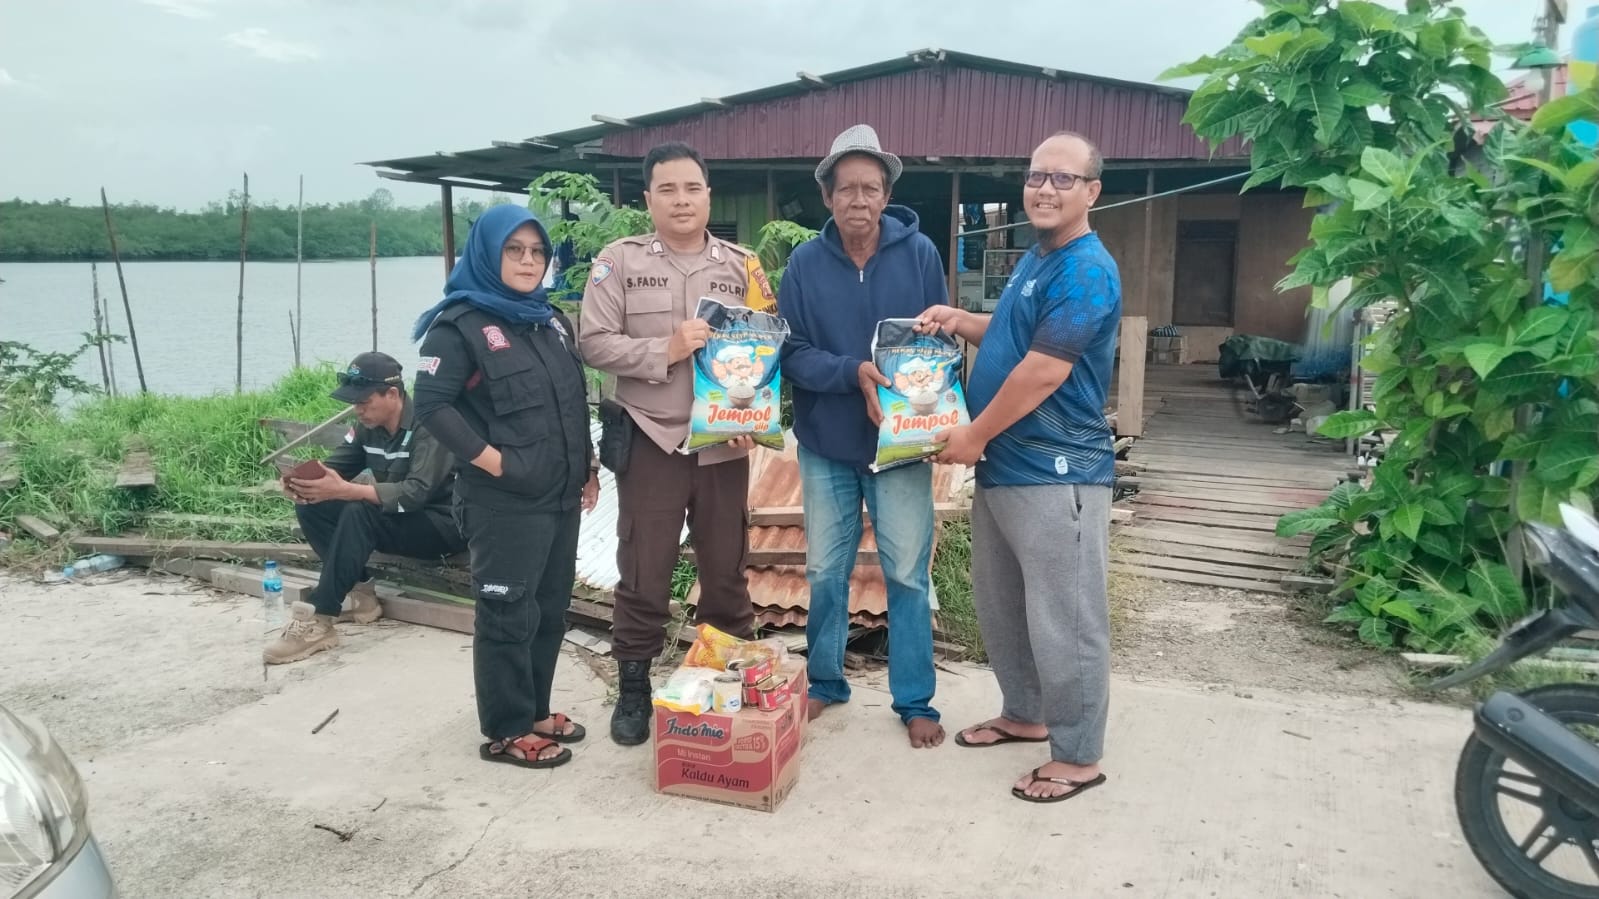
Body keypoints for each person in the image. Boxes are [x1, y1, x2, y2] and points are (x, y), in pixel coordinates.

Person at [921, 132, 1120, 802]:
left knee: (1066, 618)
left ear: (1091, 192)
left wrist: (972, 435)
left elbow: (1043, 370)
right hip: (1008, 467)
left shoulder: (1086, 269)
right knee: (1005, 606)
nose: (1044, 189)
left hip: (1057, 471)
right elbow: (1016, 334)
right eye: (1036, 176)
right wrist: (961, 319)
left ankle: (1078, 755)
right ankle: (1026, 713)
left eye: (1063, 178)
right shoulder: (1040, 258)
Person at [578, 141, 776, 747]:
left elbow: (770, 344)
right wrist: (665, 348)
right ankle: (634, 688)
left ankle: (724, 687)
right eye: (667, 189)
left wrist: (754, 411)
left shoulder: (744, 266)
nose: (681, 200)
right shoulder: (619, 262)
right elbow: (593, 342)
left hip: (724, 444)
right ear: (649, 199)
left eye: (692, 188)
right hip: (650, 437)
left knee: (726, 571)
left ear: (708, 195)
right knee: (644, 570)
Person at [411, 204, 600, 770]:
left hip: (559, 496)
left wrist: (588, 469)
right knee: (506, 613)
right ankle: (507, 728)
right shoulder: (458, 326)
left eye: (537, 251)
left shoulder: (550, 321)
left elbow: (572, 404)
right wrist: (492, 462)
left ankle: (535, 710)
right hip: (502, 502)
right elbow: (432, 406)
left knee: (548, 608)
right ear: (487, 255)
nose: (528, 261)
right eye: (513, 250)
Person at [777, 124, 948, 748]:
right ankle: (825, 681)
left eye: (870, 188)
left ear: (886, 195)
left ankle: (915, 699)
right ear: (827, 196)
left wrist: (922, 405)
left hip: (898, 445)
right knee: (826, 570)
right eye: (845, 188)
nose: (858, 199)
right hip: (826, 443)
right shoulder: (804, 264)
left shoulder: (919, 254)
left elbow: (938, 338)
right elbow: (791, 353)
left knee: (906, 572)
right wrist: (853, 373)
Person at [265, 351, 465, 665]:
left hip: (442, 526)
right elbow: (334, 470)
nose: (357, 409)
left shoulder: (429, 425)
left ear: (393, 394)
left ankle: (320, 617)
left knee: (360, 510)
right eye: (354, 402)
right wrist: (305, 484)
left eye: (364, 401)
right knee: (313, 506)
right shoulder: (366, 428)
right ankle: (361, 595)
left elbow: (416, 494)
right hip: (398, 518)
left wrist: (348, 490)